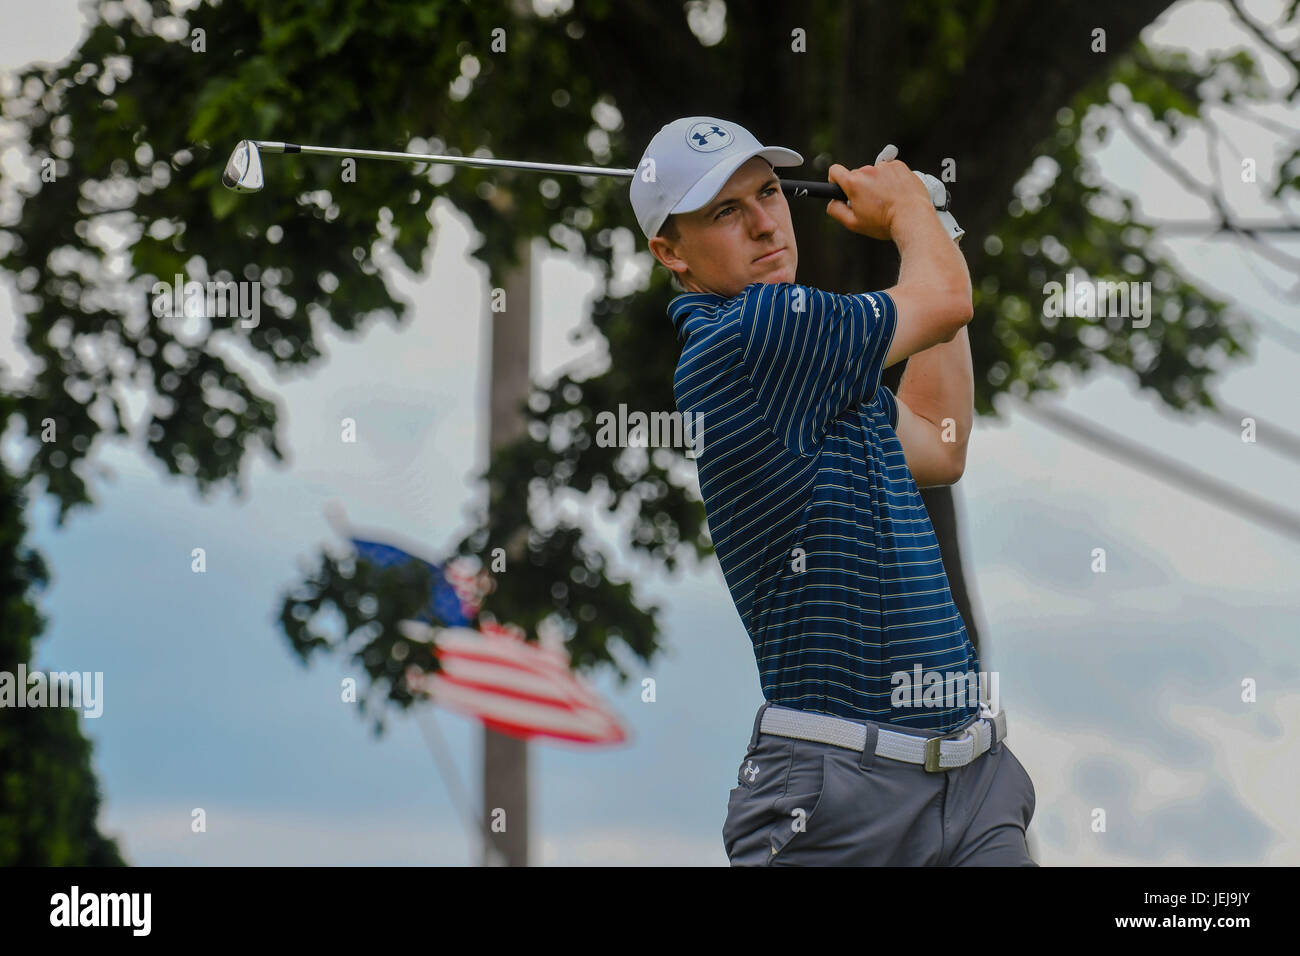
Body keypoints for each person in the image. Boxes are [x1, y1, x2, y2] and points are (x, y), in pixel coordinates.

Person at [629, 116, 1037, 865]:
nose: (763, 223)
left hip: (971, 780)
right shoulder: (754, 334)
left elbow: (938, 437)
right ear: (670, 253)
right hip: (839, 801)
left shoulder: (808, 372)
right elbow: (945, 301)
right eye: (725, 211)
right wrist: (913, 213)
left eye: (770, 193)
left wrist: (933, 227)